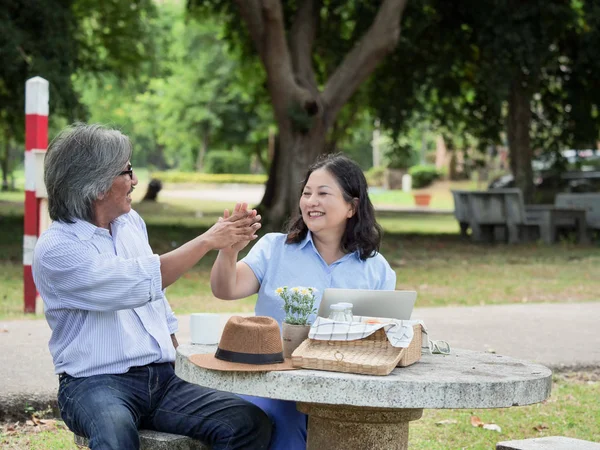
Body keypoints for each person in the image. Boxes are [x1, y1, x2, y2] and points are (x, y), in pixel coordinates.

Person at [32, 123, 271, 450]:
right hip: (93, 383)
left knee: (247, 421)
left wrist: (178, 359)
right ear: (99, 184)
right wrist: (206, 241)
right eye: (127, 171)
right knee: (115, 435)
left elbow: (155, 301)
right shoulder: (57, 249)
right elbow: (134, 282)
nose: (136, 181)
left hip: (162, 379)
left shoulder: (131, 224)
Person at [210, 153, 396, 449]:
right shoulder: (274, 249)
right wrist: (229, 251)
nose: (311, 201)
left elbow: (382, 340)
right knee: (288, 420)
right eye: (307, 193)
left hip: (344, 388)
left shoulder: (376, 268)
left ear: (352, 206)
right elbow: (225, 288)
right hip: (274, 382)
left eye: (323, 193)